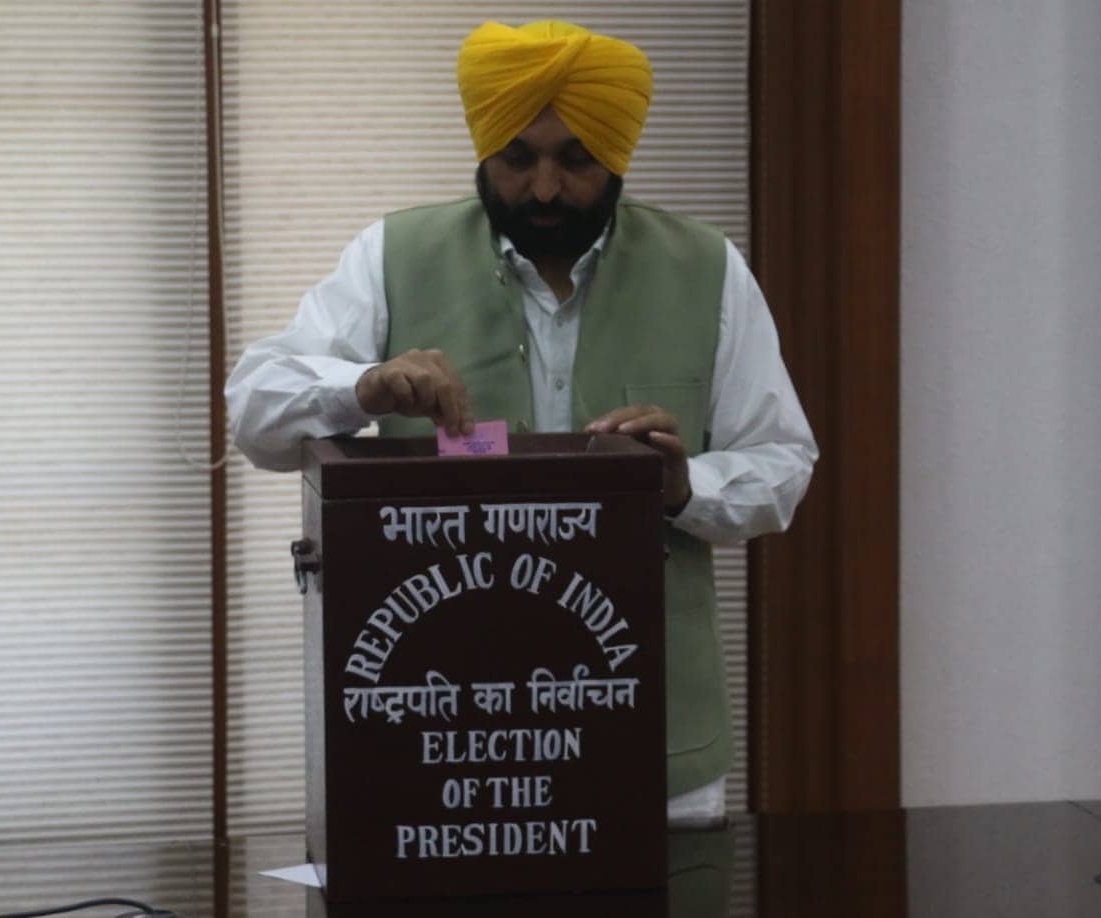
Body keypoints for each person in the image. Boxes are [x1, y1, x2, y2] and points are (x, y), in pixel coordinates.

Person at [225, 20, 817, 824]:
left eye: (575, 160)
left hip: (652, 744)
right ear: (483, 151)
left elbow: (783, 462)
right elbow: (254, 413)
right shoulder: (392, 255)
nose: (543, 188)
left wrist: (686, 486)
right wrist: (362, 388)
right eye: (517, 158)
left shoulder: (708, 269)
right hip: (441, 736)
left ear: (616, 156)